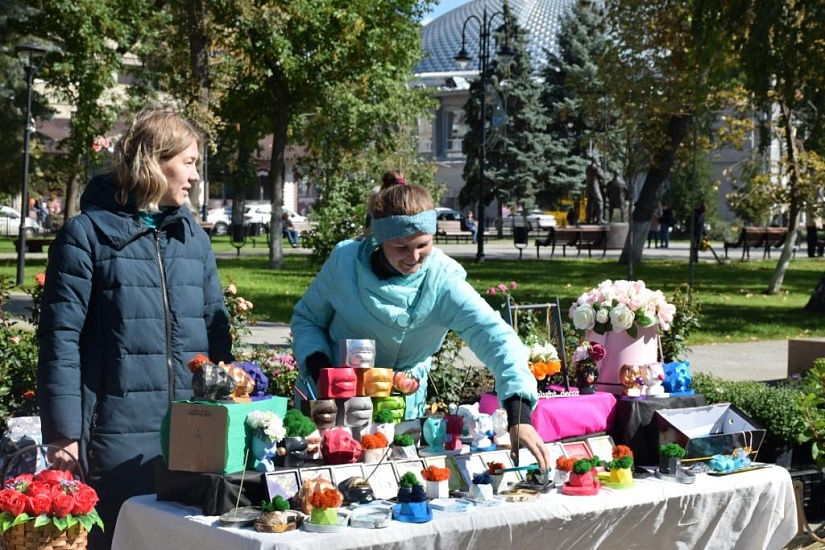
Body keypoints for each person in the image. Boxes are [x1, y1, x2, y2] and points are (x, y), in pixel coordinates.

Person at [37, 107, 233, 549]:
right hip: (115, 442)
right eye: (189, 162)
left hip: (193, 439)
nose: (196, 176)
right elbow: (60, 342)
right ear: (153, 161)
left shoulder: (194, 238)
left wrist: (233, 416)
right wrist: (64, 435)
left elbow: (217, 337)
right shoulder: (84, 236)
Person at [291, 178, 551, 470]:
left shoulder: (443, 281)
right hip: (329, 404)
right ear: (379, 239)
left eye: (422, 245)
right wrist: (318, 367)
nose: (413, 258)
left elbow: (494, 337)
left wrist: (519, 415)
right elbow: (307, 319)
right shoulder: (344, 261)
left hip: (401, 410)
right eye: (401, 246)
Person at [585, 156, 605, 224]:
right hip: (594, 187)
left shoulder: (588, 168)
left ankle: (588, 218)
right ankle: (600, 219)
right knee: (600, 201)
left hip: (588, 187)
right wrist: (600, 167)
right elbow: (602, 176)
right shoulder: (596, 168)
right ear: (596, 160)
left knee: (589, 203)